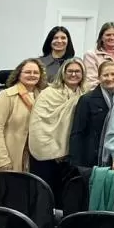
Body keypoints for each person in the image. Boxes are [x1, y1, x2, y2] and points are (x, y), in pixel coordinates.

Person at [0, 58, 47, 182]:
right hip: (6, 158)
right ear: (19, 74)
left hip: (30, 159)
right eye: (28, 72)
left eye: (36, 72)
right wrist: (3, 161)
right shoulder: (6, 96)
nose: (32, 75)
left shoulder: (42, 97)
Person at [28, 57, 84, 202]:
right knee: (43, 197)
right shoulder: (48, 93)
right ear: (63, 73)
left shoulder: (84, 94)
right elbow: (39, 126)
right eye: (70, 71)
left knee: (65, 197)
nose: (73, 74)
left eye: (77, 71)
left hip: (71, 156)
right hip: (47, 156)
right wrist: (55, 151)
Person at [68, 60, 114, 167]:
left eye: (113, 74)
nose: (110, 78)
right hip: (91, 159)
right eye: (105, 75)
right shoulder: (87, 99)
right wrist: (76, 163)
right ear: (99, 78)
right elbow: (77, 133)